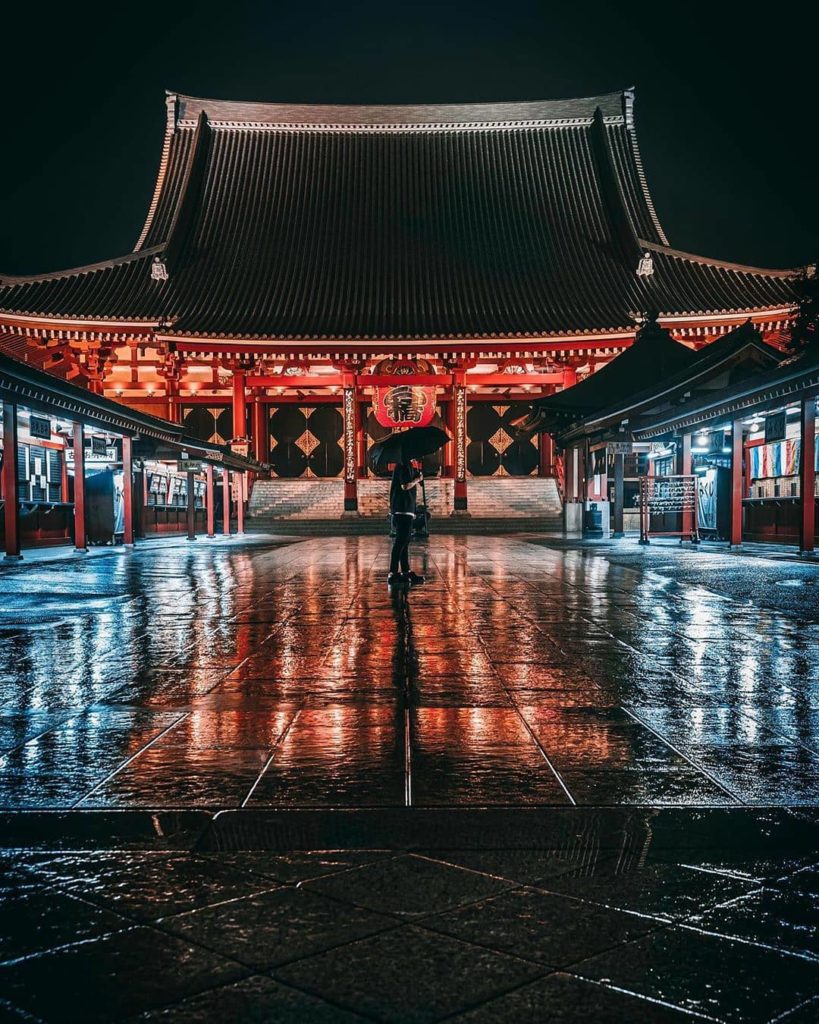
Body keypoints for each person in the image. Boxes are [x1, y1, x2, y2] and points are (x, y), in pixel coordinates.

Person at [388, 457, 426, 586]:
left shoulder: (409, 466)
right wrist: (417, 479)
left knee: (405, 542)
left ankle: (405, 571)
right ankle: (392, 572)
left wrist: (418, 475)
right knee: (400, 541)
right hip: (402, 508)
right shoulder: (402, 465)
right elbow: (405, 486)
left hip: (407, 508)